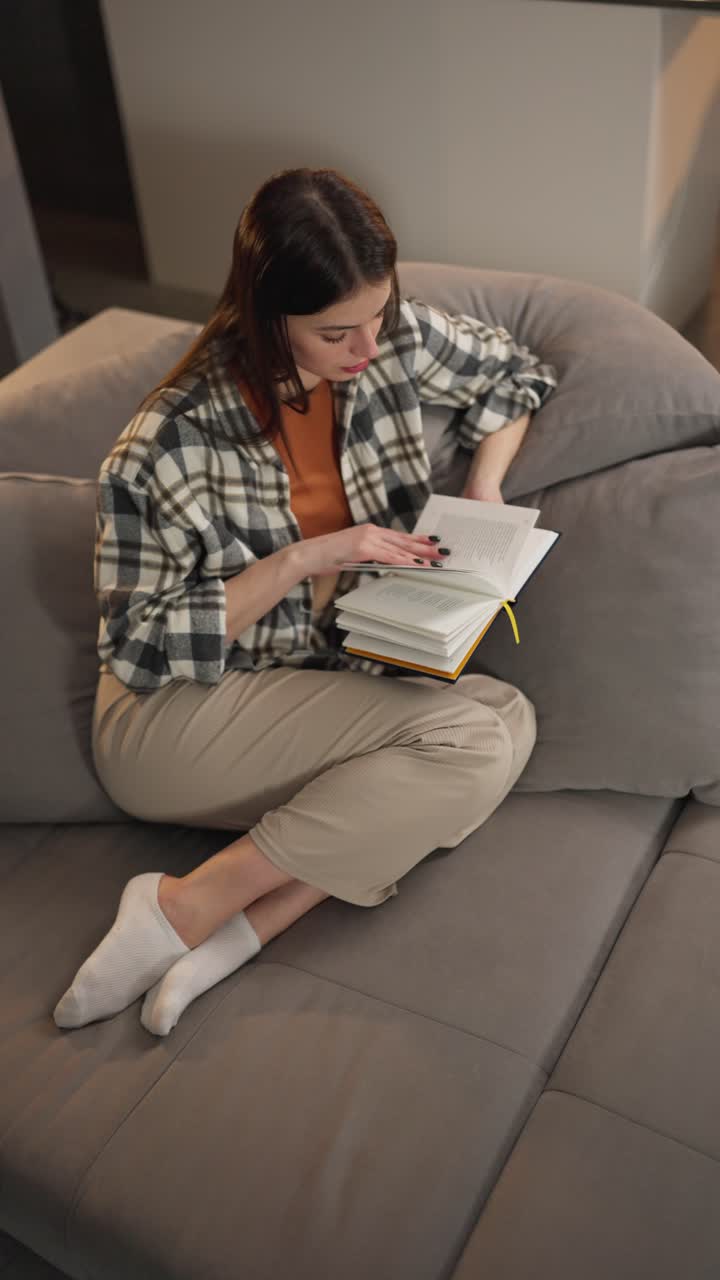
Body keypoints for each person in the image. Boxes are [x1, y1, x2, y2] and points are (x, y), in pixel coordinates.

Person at [53, 167, 557, 1037]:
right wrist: (304, 559)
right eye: (336, 333)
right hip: (168, 717)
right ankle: (178, 908)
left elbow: (515, 374)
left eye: (378, 317)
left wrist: (484, 483)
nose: (369, 349)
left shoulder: (388, 339)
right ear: (266, 315)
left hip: (304, 685)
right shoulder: (166, 444)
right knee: (469, 739)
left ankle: (238, 932)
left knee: (508, 717)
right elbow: (138, 649)